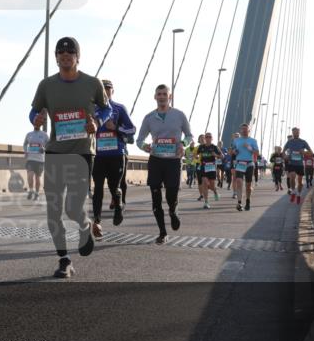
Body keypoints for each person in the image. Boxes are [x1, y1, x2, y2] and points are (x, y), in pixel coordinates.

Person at [29, 37, 110, 278]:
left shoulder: (92, 83)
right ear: (56, 57)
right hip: (55, 152)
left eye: (70, 52)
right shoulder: (46, 85)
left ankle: (85, 226)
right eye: (60, 52)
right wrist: (35, 118)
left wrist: (97, 121)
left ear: (77, 56)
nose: (65, 55)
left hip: (82, 152)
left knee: (73, 208)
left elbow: (106, 109)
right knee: (53, 211)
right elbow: (34, 109)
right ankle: (64, 260)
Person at [136, 84, 192, 244]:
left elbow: (189, 136)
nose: (162, 97)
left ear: (170, 97)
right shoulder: (149, 118)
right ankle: (162, 232)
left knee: (171, 195)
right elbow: (139, 140)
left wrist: (183, 144)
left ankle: (173, 211)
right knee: (155, 197)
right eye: (159, 94)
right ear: (155, 97)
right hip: (156, 160)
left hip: (173, 161)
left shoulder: (179, 115)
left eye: (164, 94)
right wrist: (144, 146)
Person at [90, 79, 135, 238]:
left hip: (117, 155)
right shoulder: (92, 109)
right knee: (98, 189)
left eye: (108, 89)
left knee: (114, 187)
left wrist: (115, 128)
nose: (106, 92)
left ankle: (118, 205)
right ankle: (96, 220)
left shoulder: (119, 109)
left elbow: (131, 129)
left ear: (112, 91)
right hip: (99, 155)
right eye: (103, 89)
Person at [232, 123, 260, 211]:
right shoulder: (236, 140)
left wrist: (249, 147)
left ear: (249, 130)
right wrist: (234, 151)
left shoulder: (253, 141)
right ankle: (239, 203)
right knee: (239, 182)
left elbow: (257, 153)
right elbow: (233, 150)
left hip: (249, 163)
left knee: (248, 185)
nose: (244, 130)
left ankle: (248, 201)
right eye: (242, 129)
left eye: (246, 129)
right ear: (241, 130)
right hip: (240, 163)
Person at [283, 127, 313, 204]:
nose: (295, 133)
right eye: (294, 132)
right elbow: (283, 151)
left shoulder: (303, 142)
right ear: (292, 133)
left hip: (299, 164)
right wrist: (285, 156)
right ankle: (293, 192)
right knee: (292, 176)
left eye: (297, 132)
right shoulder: (289, 142)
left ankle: (299, 195)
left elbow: (311, 152)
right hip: (291, 163)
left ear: (299, 133)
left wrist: (304, 152)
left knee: (300, 182)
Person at [196, 132, 222, 209]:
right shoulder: (201, 147)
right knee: (204, 182)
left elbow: (222, 156)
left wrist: (216, 155)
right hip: (203, 167)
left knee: (211, 185)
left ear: (212, 138)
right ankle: (206, 202)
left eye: (209, 137)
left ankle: (215, 192)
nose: (208, 138)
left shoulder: (215, 147)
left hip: (212, 167)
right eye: (206, 137)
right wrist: (196, 156)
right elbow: (195, 154)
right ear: (205, 138)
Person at [23, 123, 48, 200]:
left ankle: (37, 193)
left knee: (37, 178)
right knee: (30, 175)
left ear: (40, 125)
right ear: (33, 124)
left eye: (38, 124)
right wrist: (25, 151)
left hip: (40, 160)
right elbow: (25, 144)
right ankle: (31, 190)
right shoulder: (29, 134)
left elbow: (49, 145)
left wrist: (44, 149)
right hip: (30, 159)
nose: (36, 125)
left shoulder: (44, 135)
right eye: (35, 123)